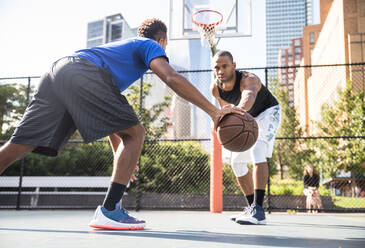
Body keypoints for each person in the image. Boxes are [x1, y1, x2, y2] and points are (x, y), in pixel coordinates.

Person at [0, 19, 244, 230]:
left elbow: (109, 120)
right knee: (137, 133)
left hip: (59, 70)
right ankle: (110, 211)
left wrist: (122, 154)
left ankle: (111, 208)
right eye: (165, 45)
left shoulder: (120, 54)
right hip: (83, 72)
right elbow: (171, 77)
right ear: (162, 40)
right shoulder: (149, 45)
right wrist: (214, 111)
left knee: (21, 143)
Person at [211, 50, 281, 225]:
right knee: (236, 162)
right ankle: (252, 208)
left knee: (258, 149)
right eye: (217, 67)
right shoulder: (216, 89)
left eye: (225, 66)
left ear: (234, 66)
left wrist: (238, 111)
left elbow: (248, 99)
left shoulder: (249, 79)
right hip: (247, 120)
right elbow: (227, 111)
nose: (220, 71)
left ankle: (259, 209)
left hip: (268, 113)